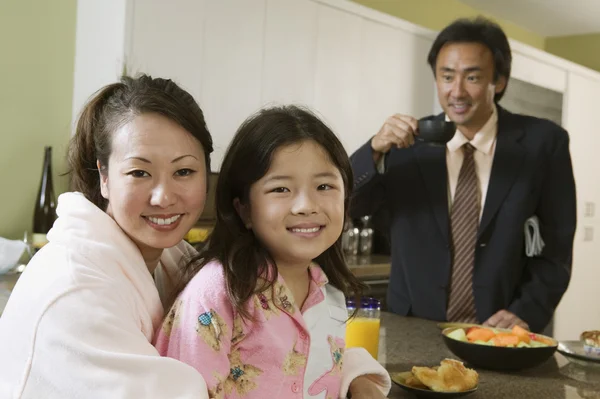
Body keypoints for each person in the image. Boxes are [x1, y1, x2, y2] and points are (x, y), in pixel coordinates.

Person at [349, 16, 576, 333]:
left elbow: (557, 249)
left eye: (472, 77)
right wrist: (373, 150)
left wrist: (526, 311)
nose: (456, 92)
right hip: (413, 327)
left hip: (499, 332)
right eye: (446, 77)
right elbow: (347, 208)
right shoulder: (406, 143)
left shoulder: (543, 143)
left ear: (499, 82)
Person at [154, 105, 391, 399]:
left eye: (324, 186)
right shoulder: (218, 292)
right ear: (244, 209)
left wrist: (360, 379)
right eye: (281, 189)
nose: (306, 205)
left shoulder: (329, 295)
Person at [0, 75, 214, 398]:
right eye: (139, 172)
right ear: (104, 177)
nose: (163, 197)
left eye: (183, 171)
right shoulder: (77, 287)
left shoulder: (172, 259)